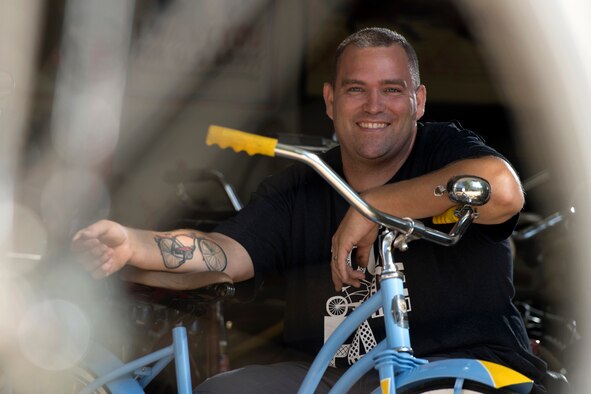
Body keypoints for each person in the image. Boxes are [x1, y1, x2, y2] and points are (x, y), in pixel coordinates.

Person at [72, 27, 547, 393]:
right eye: (356, 89)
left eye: (392, 89)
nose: (374, 105)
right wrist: (130, 242)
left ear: (418, 101)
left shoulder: (446, 150)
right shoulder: (302, 185)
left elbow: (502, 190)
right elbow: (222, 254)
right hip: (330, 378)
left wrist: (371, 208)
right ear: (330, 100)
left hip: (458, 365)